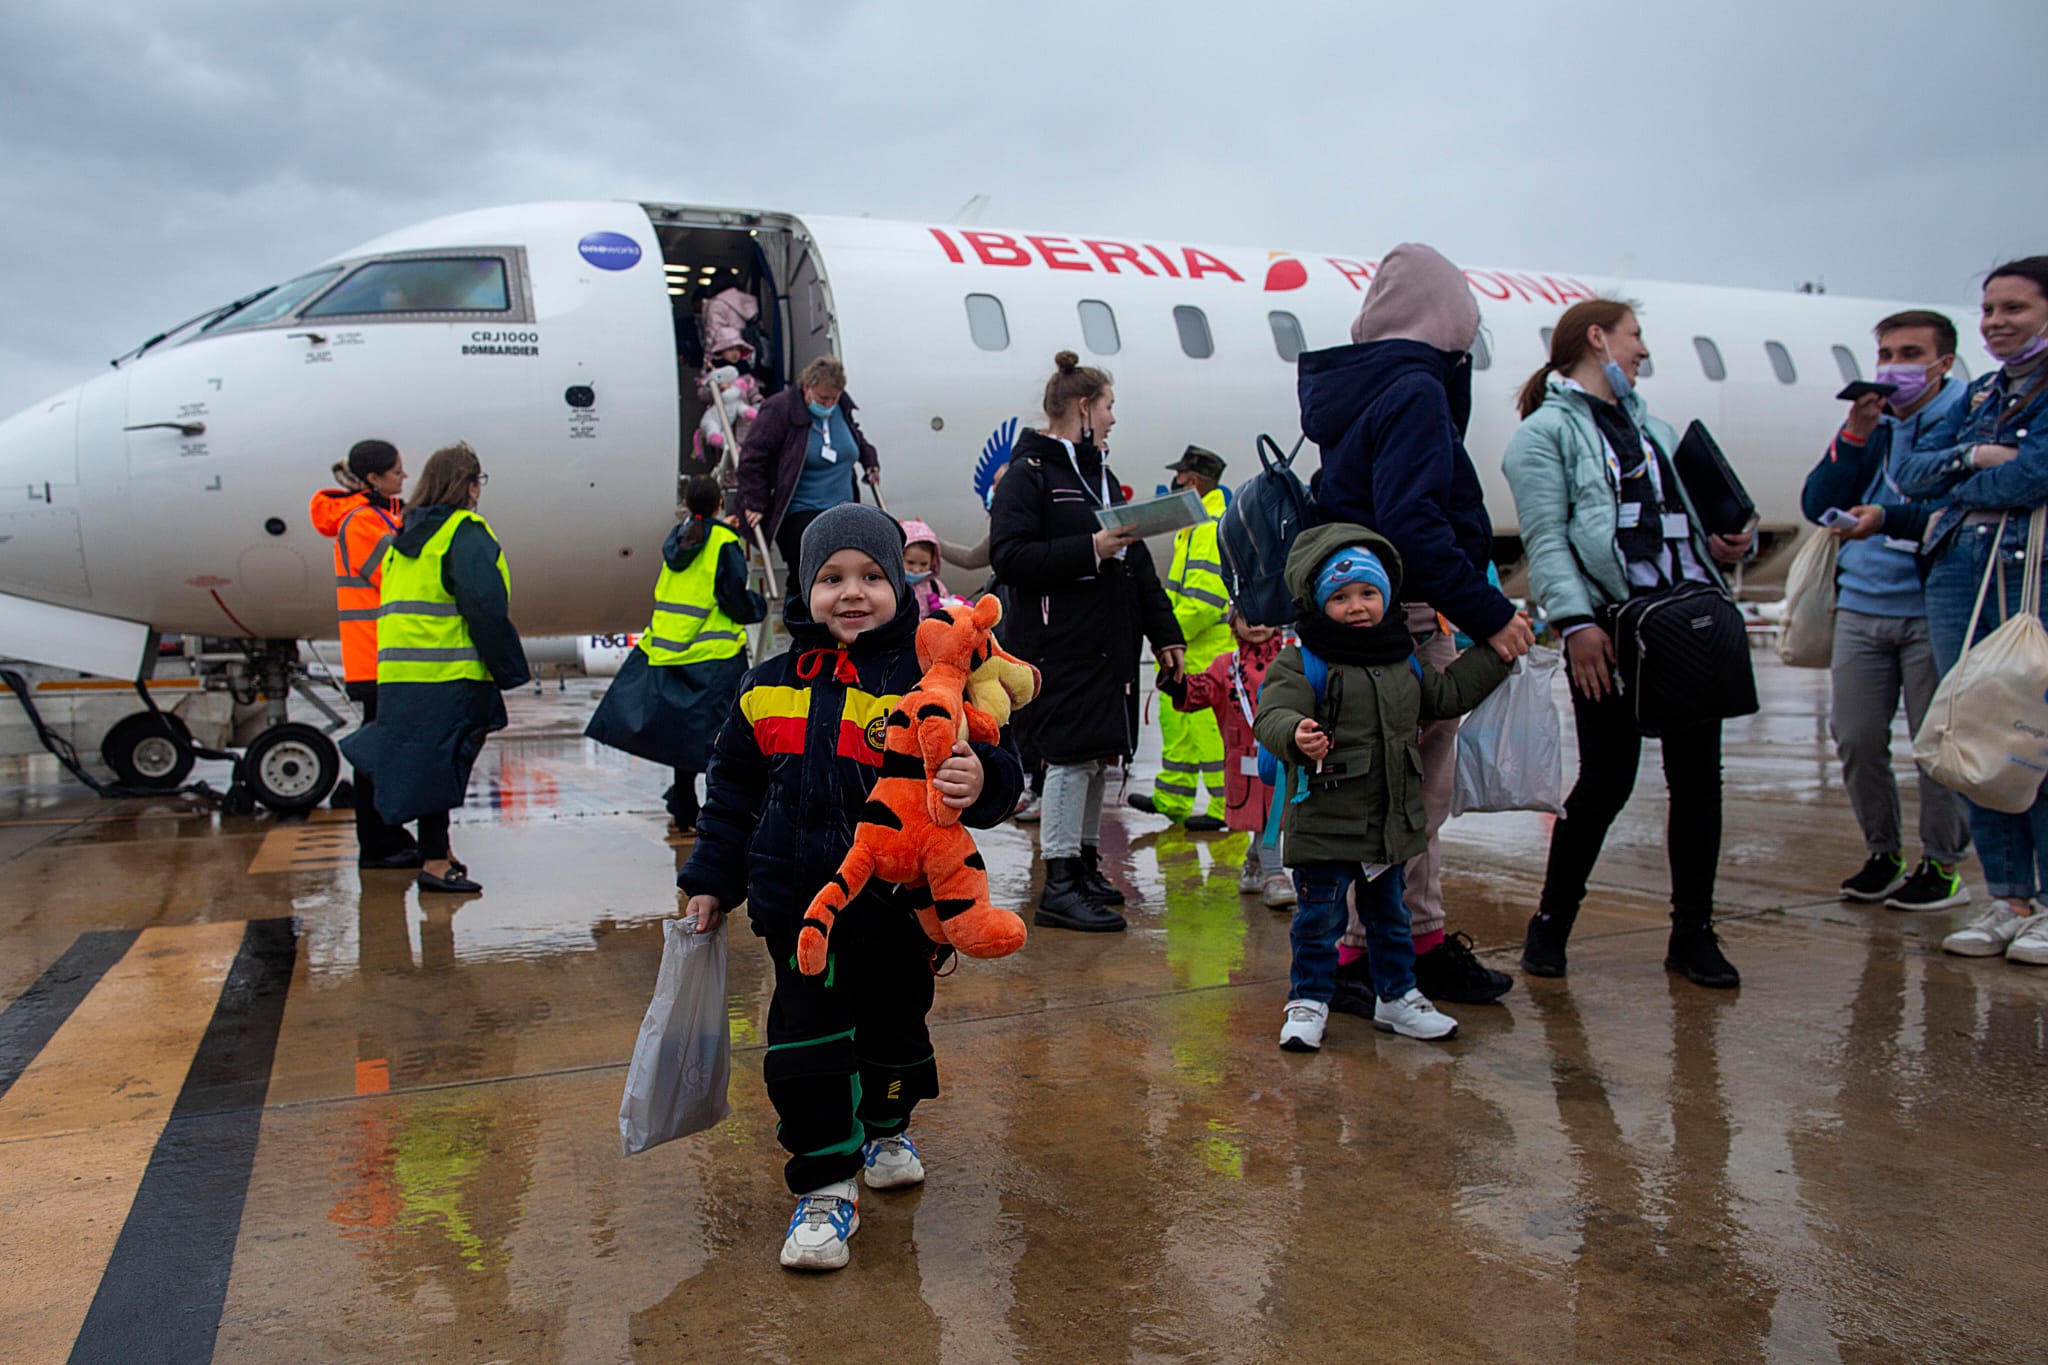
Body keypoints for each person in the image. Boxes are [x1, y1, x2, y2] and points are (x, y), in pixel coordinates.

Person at [678, 504, 1024, 1271]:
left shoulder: (930, 681)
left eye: (872, 575)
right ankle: (826, 1185)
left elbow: (999, 760)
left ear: (903, 582)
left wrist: (982, 780)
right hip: (799, 910)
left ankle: (887, 1124)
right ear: (806, 591)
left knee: (893, 1037)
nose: (853, 592)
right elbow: (730, 793)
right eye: (832, 578)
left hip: (897, 916)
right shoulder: (765, 688)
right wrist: (710, 880)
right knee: (803, 1049)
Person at [1297, 242, 1529, 1006]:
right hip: (1402, 618)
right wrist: (1490, 614)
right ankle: (1386, 949)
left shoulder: (1357, 388)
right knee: (1409, 800)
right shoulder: (1415, 389)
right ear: (1446, 315)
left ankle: (1396, 943)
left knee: (1390, 795)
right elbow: (1414, 526)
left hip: (1355, 616)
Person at [1501, 299, 1755, 988]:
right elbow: (1547, 540)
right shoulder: (1542, 436)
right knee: (1608, 781)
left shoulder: (1657, 431)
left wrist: (1733, 542)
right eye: (1635, 335)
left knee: (1700, 782)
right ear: (1597, 338)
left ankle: (1693, 933)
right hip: (1614, 630)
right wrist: (1577, 623)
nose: (1642, 350)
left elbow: (1683, 522)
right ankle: (1550, 923)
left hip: (1686, 625)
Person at [1252, 524, 1510, 1051]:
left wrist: (1499, 651)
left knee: (1391, 920)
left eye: (1368, 593)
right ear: (1318, 601)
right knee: (1317, 923)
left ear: (1387, 595)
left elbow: (1449, 693)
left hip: (1388, 824)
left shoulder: (1404, 659)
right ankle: (1308, 1001)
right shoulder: (1303, 660)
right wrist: (1295, 734)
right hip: (1326, 821)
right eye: (1341, 596)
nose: (1358, 606)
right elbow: (1272, 713)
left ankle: (1397, 998)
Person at [1878, 256, 2048, 964]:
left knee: (2035, 734)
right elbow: (1910, 475)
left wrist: (1966, 467)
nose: (1997, 322)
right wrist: (1979, 454)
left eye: (2015, 308)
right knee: (1976, 734)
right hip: (1958, 572)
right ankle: (2009, 896)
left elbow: (2036, 472)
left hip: (2032, 572)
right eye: (1989, 310)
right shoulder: (1980, 396)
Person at [990, 351, 1185, 932]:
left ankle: (1084, 862)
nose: (1113, 417)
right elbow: (1009, 556)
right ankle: (1060, 881)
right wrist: (1089, 550)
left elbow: (1137, 562)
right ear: (1083, 408)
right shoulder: (1030, 474)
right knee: (1070, 761)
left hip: (1106, 644)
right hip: (1060, 644)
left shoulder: (1096, 474)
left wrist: (1165, 633)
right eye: (1109, 406)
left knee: (1099, 756)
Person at [1801, 311, 1971, 909]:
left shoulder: (1964, 418)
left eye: (1909, 353)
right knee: (1856, 735)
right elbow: (1817, 502)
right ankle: (1883, 851)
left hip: (1932, 607)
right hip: (1862, 605)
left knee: (1936, 742)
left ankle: (1943, 864)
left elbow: (1963, 510)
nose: (1893, 367)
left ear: (1943, 362)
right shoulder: (1873, 425)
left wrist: (1891, 519)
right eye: (1886, 354)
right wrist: (1853, 434)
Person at [340, 443, 531, 895]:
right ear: (467, 485)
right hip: (449, 675)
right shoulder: (463, 532)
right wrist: (508, 669)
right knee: (441, 766)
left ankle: (437, 852)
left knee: (428, 764)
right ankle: (433, 861)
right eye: (478, 482)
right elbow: (484, 607)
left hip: (404, 676)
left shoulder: (405, 537)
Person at [584, 475, 767, 832]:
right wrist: (757, 607)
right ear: (719, 505)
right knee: (722, 737)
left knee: (683, 736)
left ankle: (684, 804)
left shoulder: (679, 539)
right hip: (713, 654)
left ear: (686, 504)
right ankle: (720, 811)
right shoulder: (723, 543)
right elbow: (732, 598)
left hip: (670, 649)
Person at [309, 439, 419, 869]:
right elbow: (394, 574)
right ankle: (378, 844)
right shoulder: (360, 522)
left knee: (384, 750)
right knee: (378, 754)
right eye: (396, 472)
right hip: (376, 656)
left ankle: (385, 836)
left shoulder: (376, 516)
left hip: (383, 654)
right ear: (373, 479)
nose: (403, 478)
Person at [1157, 605, 1293, 905]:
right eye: (1246, 618)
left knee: (1275, 816)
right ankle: (1274, 875)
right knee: (1262, 818)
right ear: (1234, 623)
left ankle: (1257, 865)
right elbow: (1199, 692)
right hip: (1243, 762)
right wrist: (1174, 680)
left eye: (1262, 616)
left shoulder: (1292, 660)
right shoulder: (1225, 665)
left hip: (1282, 757)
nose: (1256, 625)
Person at [1127, 445, 1231, 831]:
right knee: (1179, 729)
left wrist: (1166, 634)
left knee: (1211, 735)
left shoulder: (1209, 528)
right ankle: (1173, 798)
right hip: (1189, 650)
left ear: (1193, 481)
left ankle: (1226, 808)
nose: (1174, 484)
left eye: (1179, 478)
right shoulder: (1195, 527)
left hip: (1206, 651)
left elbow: (1204, 602)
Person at [737, 356, 880, 599]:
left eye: (834, 398)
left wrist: (869, 461)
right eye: (823, 398)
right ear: (806, 387)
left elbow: (855, 439)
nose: (829, 404)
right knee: (812, 571)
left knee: (849, 571)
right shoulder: (780, 409)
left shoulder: (840, 408)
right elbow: (753, 457)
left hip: (843, 509)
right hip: (801, 510)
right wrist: (754, 501)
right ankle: (803, 629)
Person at [897, 518, 957, 619]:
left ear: (933, 562)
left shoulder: (936, 587)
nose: (916, 570)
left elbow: (948, 613)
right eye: (910, 562)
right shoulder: (892, 587)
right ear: (898, 557)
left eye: (923, 564)